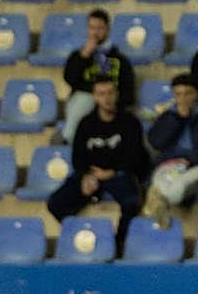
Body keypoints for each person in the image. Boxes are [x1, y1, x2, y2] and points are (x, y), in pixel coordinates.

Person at [47, 75, 149, 254]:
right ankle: (79, 235)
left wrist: (112, 172)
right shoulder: (86, 124)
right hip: (91, 174)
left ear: (117, 94)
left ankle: (117, 245)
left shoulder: (130, 122)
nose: (107, 98)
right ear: (94, 96)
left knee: (132, 202)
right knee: (55, 204)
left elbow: (136, 157)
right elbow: (78, 157)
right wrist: (87, 175)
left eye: (110, 93)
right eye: (101, 94)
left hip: (119, 174)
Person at [143, 73, 198, 229]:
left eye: (188, 93)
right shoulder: (169, 115)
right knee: (163, 178)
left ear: (197, 94)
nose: (183, 99)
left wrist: (188, 158)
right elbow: (156, 142)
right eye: (178, 94)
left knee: (178, 185)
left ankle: (158, 202)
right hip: (170, 165)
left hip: (197, 166)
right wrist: (178, 119)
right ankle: (159, 203)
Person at [61, 9, 135, 145]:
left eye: (100, 28)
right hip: (84, 102)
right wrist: (84, 56)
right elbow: (70, 79)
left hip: (112, 105)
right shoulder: (78, 56)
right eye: (92, 28)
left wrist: (108, 99)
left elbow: (128, 91)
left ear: (107, 29)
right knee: (84, 99)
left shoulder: (120, 59)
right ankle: (69, 142)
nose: (95, 32)